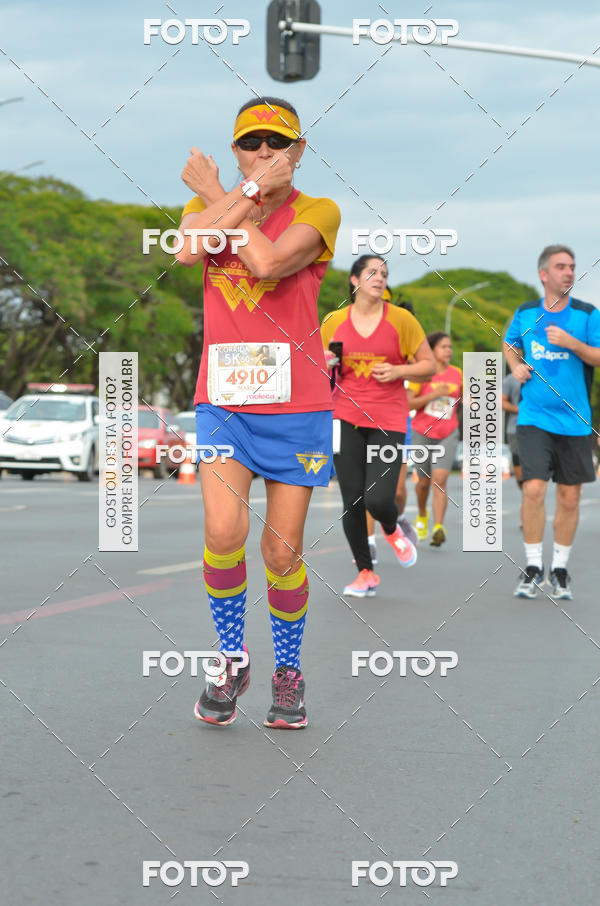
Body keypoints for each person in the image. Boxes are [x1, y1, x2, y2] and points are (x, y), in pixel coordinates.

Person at [175, 96, 341, 727]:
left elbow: (268, 262)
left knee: (281, 552)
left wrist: (224, 186)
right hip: (223, 402)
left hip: (296, 406)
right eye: (251, 143)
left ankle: (287, 671)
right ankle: (230, 655)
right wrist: (232, 195)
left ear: (299, 152)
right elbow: (190, 252)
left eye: (278, 143)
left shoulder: (318, 212)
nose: (265, 154)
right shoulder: (204, 210)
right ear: (239, 146)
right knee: (222, 534)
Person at [321, 256, 435, 597]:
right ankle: (365, 572)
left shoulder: (402, 320)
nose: (380, 278)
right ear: (355, 280)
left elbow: (428, 366)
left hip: (387, 419)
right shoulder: (333, 321)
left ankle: (392, 526)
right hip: (343, 417)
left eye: (384, 273)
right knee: (352, 500)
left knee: (379, 498)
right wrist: (325, 362)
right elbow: (313, 367)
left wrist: (399, 371)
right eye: (372, 272)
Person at [504, 245, 600, 599]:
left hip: (575, 421)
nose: (569, 272)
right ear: (543, 274)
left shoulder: (588, 314)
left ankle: (559, 570)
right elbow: (510, 343)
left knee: (570, 497)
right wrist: (514, 364)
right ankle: (532, 568)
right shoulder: (527, 312)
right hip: (534, 417)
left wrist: (573, 343)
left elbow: (598, 356)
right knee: (532, 488)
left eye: (572, 267)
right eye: (561, 266)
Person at [364, 296, 419, 563]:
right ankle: (369, 544)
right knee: (369, 488)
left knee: (395, 490)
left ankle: (398, 517)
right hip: (367, 420)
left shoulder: (412, 350)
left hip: (398, 421)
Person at [407, 332, 462, 547]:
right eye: (443, 347)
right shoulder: (422, 374)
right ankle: (422, 515)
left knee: (439, 480)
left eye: (450, 347)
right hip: (422, 432)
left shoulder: (458, 373)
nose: (448, 350)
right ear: (432, 350)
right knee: (422, 482)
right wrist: (433, 394)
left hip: (448, 433)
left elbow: (468, 395)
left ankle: (438, 527)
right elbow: (410, 404)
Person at [502, 371, 523, 487]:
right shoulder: (511, 378)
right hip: (515, 428)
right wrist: (519, 409)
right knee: (521, 478)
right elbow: (501, 401)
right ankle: (527, 497)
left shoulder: (544, 374)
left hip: (540, 427)